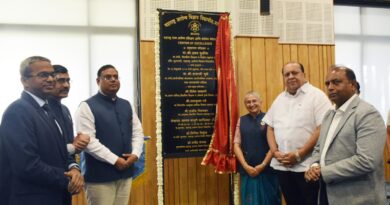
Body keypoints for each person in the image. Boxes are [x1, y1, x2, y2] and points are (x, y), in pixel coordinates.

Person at [0, 56, 84, 205]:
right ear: (24, 81)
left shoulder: (48, 110)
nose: (51, 79)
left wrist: (75, 169)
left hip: (56, 195)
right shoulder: (17, 111)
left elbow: (61, 151)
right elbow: (27, 165)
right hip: (31, 197)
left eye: (52, 74)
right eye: (43, 75)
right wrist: (67, 178)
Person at [305, 66, 386, 205]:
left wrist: (323, 172)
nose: (330, 87)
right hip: (327, 194)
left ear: (353, 85)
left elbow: (366, 160)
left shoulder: (367, 113)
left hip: (357, 198)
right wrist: (313, 166)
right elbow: (319, 148)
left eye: (336, 82)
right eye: (327, 83)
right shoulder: (329, 114)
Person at [262, 61, 332, 205]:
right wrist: (275, 152)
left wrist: (299, 154)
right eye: (287, 74)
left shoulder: (317, 96)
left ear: (304, 74)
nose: (291, 76)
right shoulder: (280, 98)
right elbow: (270, 127)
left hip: (307, 167)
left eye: (295, 72)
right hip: (282, 166)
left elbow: (322, 128)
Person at [75, 64, 144, 205]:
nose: (113, 80)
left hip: (126, 172)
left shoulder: (126, 104)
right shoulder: (86, 106)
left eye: (116, 77)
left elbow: (137, 132)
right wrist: (115, 160)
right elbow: (89, 142)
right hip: (100, 176)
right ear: (98, 81)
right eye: (108, 77)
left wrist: (135, 154)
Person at [234, 91, 280, 205]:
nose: (251, 104)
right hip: (248, 171)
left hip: (268, 171)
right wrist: (245, 166)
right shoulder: (241, 120)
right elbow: (236, 144)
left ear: (260, 102)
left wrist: (263, 165)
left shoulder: (269, 118)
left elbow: (274, 144)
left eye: (254, 101)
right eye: (248, 102)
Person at [49, 64, 90, 155]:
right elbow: (48, 149)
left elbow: (68, 142)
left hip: (70, 166)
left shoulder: (65, 110)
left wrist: (79, 143)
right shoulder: (42, 111)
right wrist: (73, 147)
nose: (66, 85)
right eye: (61, 81)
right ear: (49, 81)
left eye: (68, 81)